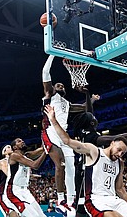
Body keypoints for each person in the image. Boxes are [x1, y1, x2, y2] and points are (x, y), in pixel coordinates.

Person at [44, 104, 127, 217]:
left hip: (114, 199)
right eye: (119, 150)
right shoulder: (94, 151)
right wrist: (53, 120)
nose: (120, 154)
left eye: (123, 153)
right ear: (112, 143)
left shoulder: (120, 163)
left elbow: (120, 189)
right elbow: (67, 141)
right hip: (95, 199)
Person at [41, 55, 93, 216]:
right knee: (61, 164)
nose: (60, 85)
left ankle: (70, 201)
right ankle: (59, 198)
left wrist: (87, 94)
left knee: (72, 167)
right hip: (50, 132)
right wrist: (52, 53)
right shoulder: (50, 95)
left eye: (62, 85)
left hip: (64, 134)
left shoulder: (67, 104)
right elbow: (45, 71)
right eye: (58, 85)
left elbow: (86, 108)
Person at [6, 138, 47, 217]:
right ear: (14, 147)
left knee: (42, 215)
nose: (22, 141)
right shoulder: (14, 155)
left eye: (22, 140)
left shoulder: (26, 155)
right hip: (14, 191)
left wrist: (46, 137)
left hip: (25, 191)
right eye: (19, 141)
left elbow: (42, 149)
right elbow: (35, 165)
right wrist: (46, 152)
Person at [0, 145, 19, 217]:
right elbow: (9, 174)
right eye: (8, 147)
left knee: (18, 214)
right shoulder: (2, 162)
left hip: (12, 190)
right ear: (4, 152)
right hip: (3, 191)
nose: (11, 148)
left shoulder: (15, 162)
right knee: (10, 213)